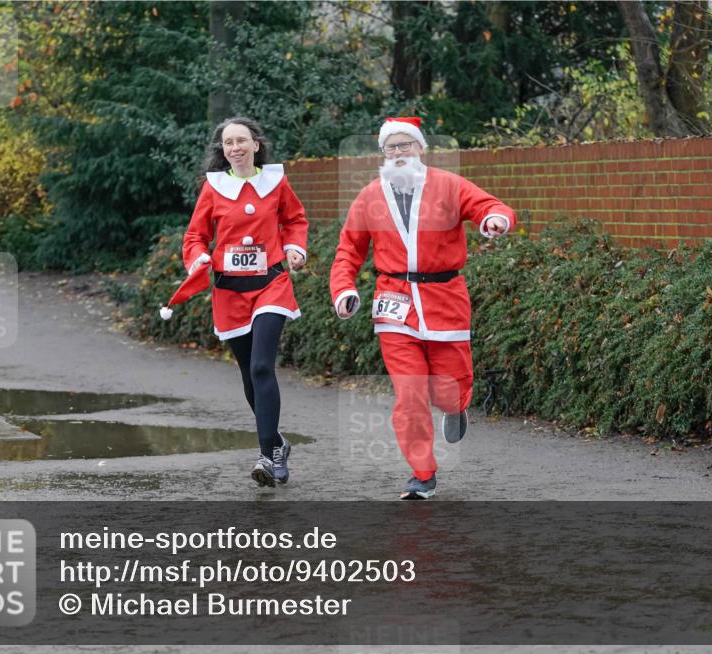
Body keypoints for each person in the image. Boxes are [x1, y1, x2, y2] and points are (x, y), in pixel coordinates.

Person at [330, 117, 514, 499]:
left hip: (445, 298)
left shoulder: (448, 184)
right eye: (391, 148)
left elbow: (487, 206)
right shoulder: (369, 196)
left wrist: (495, 219)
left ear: (421, 148)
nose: (398, 153)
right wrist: (344, 289)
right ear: (382, 153)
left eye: (405, 145)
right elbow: (348, 251)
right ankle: (422, 473)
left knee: (449, 389)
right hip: (394, 304)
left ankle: (455, 407)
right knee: (409, 393)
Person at [181, 117, 308, 488]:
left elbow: (295, 219)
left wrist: (294, 248)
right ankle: (278, 443)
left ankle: (266, 457)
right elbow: (195, 235)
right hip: (229, 291)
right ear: (222, 150)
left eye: (241, 141)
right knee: (248, 375)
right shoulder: (214, 188)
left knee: (262, 368)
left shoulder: (276, 182)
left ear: (256, 144)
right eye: (227, 143)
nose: (234, 148)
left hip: (271, 285)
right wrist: (198, 258)